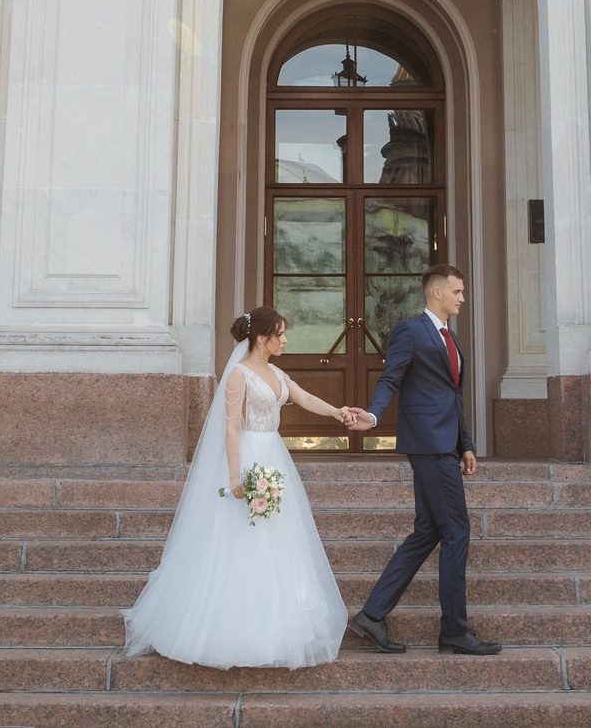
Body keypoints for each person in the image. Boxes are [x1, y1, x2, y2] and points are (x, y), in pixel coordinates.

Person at [122, 307, 373, 668]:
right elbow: (231, 427)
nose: (285, 340)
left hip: (274, 457)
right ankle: (229, 632)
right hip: (249, 457)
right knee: (239, 539)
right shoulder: (239, 375)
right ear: (261, 338)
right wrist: (234, 475)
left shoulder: (275, 372)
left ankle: (280, 628)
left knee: (279, 538)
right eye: (280, 334)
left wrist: (338, 411)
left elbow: (304, 397)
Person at [343, 264, 501, 656]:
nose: (462, 297)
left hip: (446, 443)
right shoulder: (412, 332)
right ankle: (454, 629)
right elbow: (390, 379)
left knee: (428, 531)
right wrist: (374, 415)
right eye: (457, 291)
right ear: (436, 293)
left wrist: (465, 443)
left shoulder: (451, 338)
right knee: (457, 531)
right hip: (427, 443)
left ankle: (372, 616)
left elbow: (452, 395)